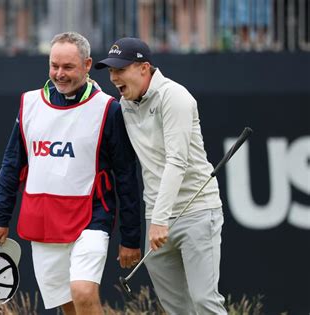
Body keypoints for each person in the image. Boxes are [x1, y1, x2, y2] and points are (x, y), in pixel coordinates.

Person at [0, 32, 141, 315]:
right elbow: (12, 165)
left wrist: (131, 237)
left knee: (83, 293)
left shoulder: (108, 109)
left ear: (87, 64)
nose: (59, 74)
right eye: (54, 65)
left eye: (68, 67)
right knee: (68, 305)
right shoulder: (30, 104)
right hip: (43, 219)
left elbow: (127, 176)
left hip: (92, 217)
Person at [95, 37, 227, 315]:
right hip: (157, 217)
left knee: (204, 301)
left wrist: (159, 219)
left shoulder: (174, 96)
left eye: (120, 70)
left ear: (144, 68)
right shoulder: (127, 102)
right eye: (110, 71)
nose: (114, 77)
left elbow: (176, 161)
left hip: (197, 211)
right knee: (177, 308)